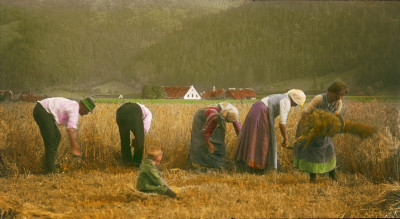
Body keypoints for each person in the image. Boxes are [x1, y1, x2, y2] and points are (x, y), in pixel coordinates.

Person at [234, 89, 306, 172]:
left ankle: (247, 164)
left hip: (255, 109)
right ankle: (257, 167)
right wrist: (286, 139)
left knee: (253, 137)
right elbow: (282, 123)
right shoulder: (286, 101)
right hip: (261, 112)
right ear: (294, 100)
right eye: (296, 104)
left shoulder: (282, 96)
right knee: (263, 140)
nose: (295, 106)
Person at [293, 81, 347, 183]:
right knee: (313, 154)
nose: (339, 97)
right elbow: (305, 113)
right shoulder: (319, 99)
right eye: (337, 94)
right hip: (311, 129)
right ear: (330, 91)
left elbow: (335, 116)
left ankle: (332, 177)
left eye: (341, 95)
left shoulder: (338, 103)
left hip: (324, 131)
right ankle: (312, 179)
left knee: (329, 151)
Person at [33, 97, 95, 173]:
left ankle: (49, 164)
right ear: (83, 105)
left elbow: (71, 129)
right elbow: (70, 130)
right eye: (86, 111)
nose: (85, 114)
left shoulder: (74, 106)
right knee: (52, 140)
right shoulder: (75, 109)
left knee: (56, 137)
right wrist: (74, 147)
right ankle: (49, 170)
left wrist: (74, 142)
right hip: (43, 111)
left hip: (42, 110)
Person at [189, 102, 241, 169]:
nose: (228, 122)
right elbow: (205, 132)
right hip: (202, 118)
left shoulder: (232, 112)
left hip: (218, 118)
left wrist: (241, 139)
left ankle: (217, 163)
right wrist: (209, 144)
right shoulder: (214, 116)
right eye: (228, 121)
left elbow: (237, 127)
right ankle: (200, 165)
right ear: (225, 117)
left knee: (219, 139)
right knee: (200, 141)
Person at [116, 102, 152, 167]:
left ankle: (127, 162)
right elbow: (144, 130)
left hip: (120, 112)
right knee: (140, 140)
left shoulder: (140, 108)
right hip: (134, 111)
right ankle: (136, 163)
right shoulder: (148, 113)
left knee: (124, 139)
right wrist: (138, 138)